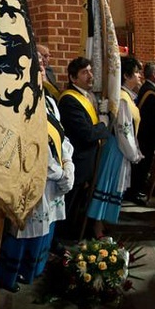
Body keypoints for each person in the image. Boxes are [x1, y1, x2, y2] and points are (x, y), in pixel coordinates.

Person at [0, 51, 75, 291]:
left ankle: (34, 270)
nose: (39, 71)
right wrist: (60, 173)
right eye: (33, 67)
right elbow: (30, 148)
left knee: (45, 228)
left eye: (41, 68)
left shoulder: (48, 100)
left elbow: (60, 136)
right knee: (24, 231)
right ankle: (11, 276)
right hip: (30, 179)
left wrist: (68, 163)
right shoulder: (17, 104)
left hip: (53, 180)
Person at [85, 56, 144, 238]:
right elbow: (124, 130)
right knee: (107, 184)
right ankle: (96, 225)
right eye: (136, 73)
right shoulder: (124, 99)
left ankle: (101, 223)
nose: (139, 76)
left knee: (111, 186)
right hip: (116, 149)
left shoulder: (127, 96)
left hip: (119, 148)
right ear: (126, 75)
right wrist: (134, 154)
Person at [56, 56, 110, 241]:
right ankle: (64, 241)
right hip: (78, 162)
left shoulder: (86, 96)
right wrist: (103, 124)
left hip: (88, 161)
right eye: (84, 72)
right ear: (73, 78)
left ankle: (76, 235)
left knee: (80, 205)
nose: (90, 75)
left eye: (90, 70)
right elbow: (87, 133)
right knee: (70, 207)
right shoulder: (69, 100)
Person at [128, 61, 155, 204]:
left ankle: (137, 189)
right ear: (154, 74)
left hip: (146, 135)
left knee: (143, 166)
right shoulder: (150, 92)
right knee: (142, 166)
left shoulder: (149, 89)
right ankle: (134, 192)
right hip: (147, 136)